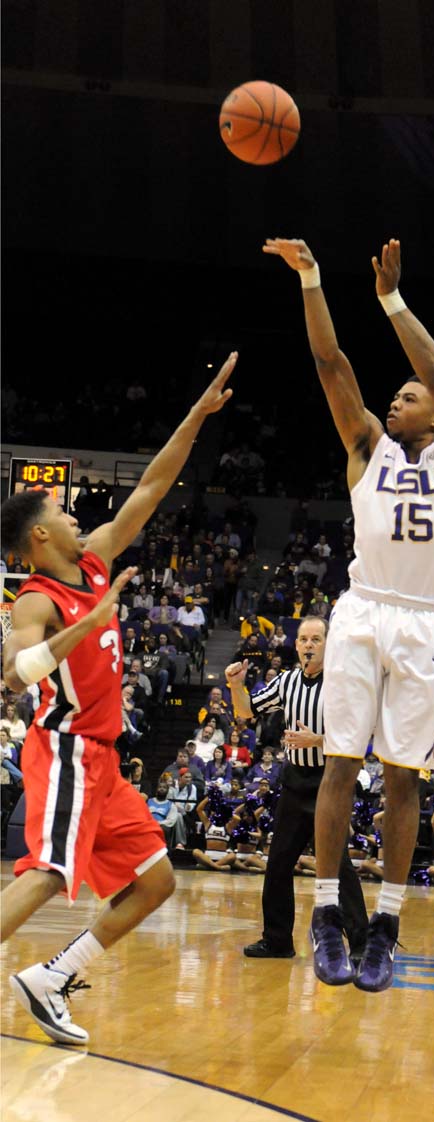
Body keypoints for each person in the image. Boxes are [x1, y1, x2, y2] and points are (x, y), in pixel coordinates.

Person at [265, 235, 434, 991]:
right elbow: (332, 365)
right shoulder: (367, 444)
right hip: (362, 612)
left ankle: (385, 927)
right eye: (393, 393)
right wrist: (314, 281)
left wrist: (392, 298)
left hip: (425, 621)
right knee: (340, 763)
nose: (398, 397)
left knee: (402, 782)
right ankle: (326, 914)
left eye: (409, 395)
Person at [0, 354, 237, 1045]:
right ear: (41, 535)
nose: (77, 515)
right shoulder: (38, 597)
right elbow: (14, 672)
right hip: (67, 750)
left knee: (157, 881)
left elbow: (153, 486)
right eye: (63, 512)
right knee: (47, 875)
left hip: (105, 762)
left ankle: (51, 977)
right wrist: (88, 623)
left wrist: (197, 416)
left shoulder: (97, 558)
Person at [226, 617, 368, 962]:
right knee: (277, 863)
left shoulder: (342, 683)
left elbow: (359, 737)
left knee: (336, 864)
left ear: (328, 644)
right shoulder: (286, 682)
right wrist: (235, 684)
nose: (308, 645)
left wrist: (316, 739)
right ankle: (277, 940)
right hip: (294, 780)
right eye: (303, 639)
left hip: (329, 781)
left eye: (316, 639)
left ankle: (363, 944)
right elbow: (245, 711)